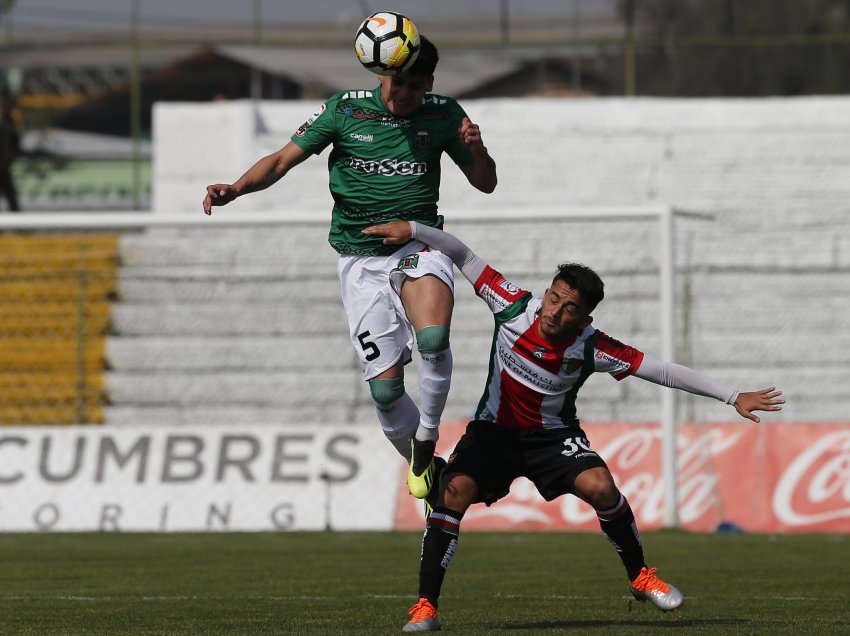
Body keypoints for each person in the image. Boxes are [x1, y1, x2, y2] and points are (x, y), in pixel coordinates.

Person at [362, 220, 784, 632]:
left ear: (585, 318)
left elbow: (664, 371)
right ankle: (425, 608)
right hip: (493, 433)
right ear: (545, 294)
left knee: (602, 487)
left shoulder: (592, 347)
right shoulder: (510, 305)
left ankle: (640, 576)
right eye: (554, 299)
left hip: (553, 438)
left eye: (571, 309)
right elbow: (460, 252)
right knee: (451, 494)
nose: (556, 312)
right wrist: (416, 231)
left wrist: (732, 396)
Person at [202, 35, 497, 502]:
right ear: (383, 73)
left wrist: (476, 150)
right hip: (359, 260)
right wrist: (236, 189)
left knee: (434, 339)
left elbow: (486, 185)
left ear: (430, 83)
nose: (407, 95)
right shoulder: (344, 109)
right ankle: (422, 463)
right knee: (385, 395)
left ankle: (427, 436)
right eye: (400, 83)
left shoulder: (444, 114)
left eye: (417, 86)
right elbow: (281, 160)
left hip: (418, 244)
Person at [0, 101, 21, 212]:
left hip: (4, 164)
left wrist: (11, 158)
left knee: (9, 191)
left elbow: (16, 142)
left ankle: (17, 218)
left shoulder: (8, 123)